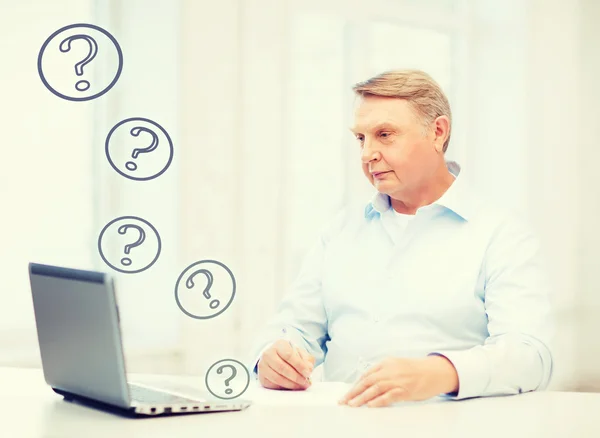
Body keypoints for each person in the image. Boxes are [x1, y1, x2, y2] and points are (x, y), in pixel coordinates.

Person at [248, 69, 553, 408]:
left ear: (438, 132)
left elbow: (531, 356)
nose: (367, 154)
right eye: (361, 139)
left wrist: (438, 373)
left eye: (384, 135)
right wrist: (271, 359)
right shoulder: (339, 231)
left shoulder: (501, 234)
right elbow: (293, 329)